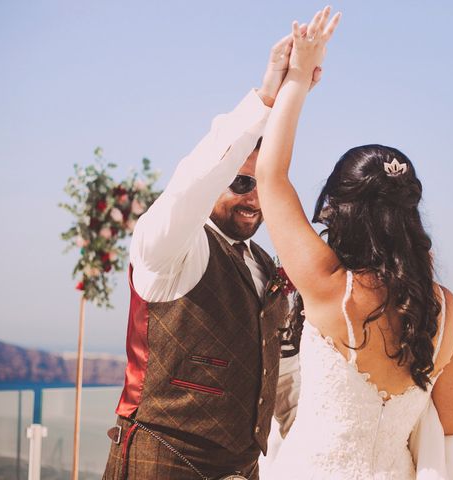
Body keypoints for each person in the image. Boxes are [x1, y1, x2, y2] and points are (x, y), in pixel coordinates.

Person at [255, 7, 453, 478]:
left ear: (339, 210)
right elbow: (450, 425)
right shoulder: (448, 312)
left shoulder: (329, 289)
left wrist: (296, 78)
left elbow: (271, 177)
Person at [102, 33, 312, 480]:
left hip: (244, 469)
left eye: (262, 186)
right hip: (158, 465)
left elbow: (284, 377)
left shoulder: (266, 268)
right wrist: (269, 98)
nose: (253, 199)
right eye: (239, 182)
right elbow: (191, 183)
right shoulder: (170, 246)